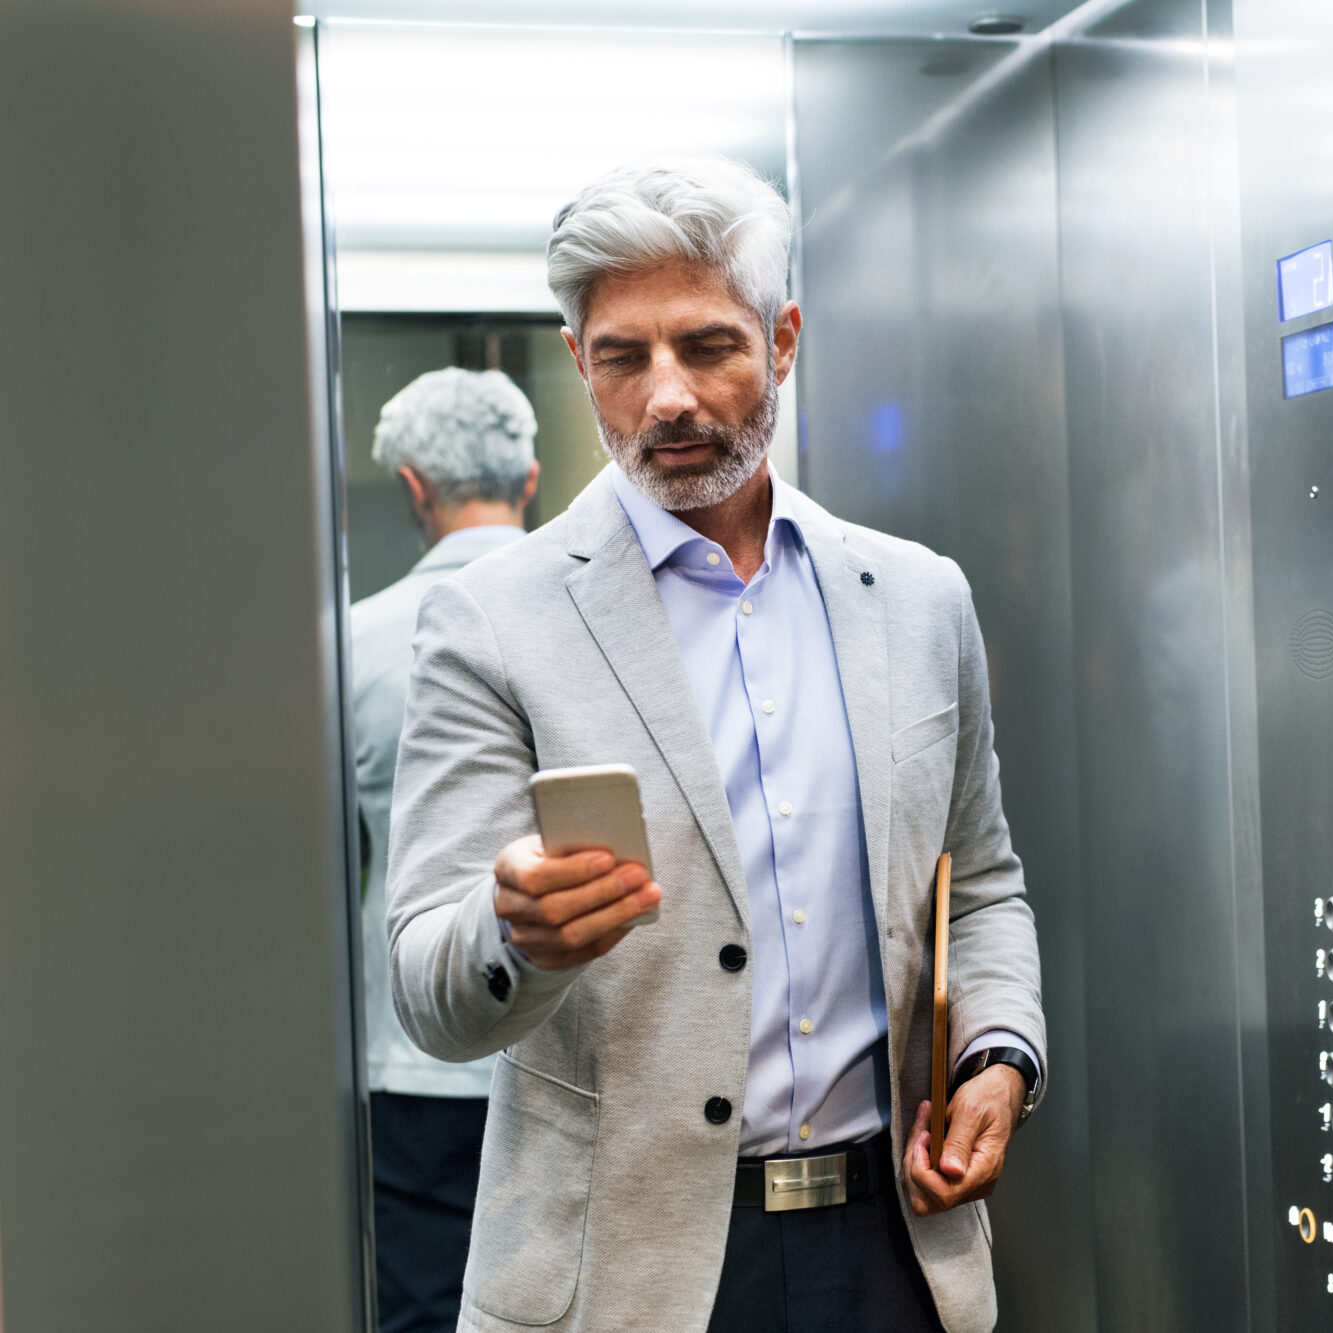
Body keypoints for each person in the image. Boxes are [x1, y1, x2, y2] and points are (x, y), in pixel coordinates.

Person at [383, 157, 1046, 1333]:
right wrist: (515, 935)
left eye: (706, 346)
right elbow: (431, 986)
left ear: (781, 340)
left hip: (894, 1251)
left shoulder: (916, 597)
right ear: (578, 360)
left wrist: (998, 1056)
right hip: (620, 1274)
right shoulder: (493, 619)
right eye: (620, 357)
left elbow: (980, 881)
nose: (666, 397)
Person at [352, 368, 542, 1332]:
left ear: (415, 488)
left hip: (416, 1067)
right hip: (573, 1054)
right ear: (533, 477)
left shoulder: (351, 646)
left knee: (425, 1306)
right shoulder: (601, 629)